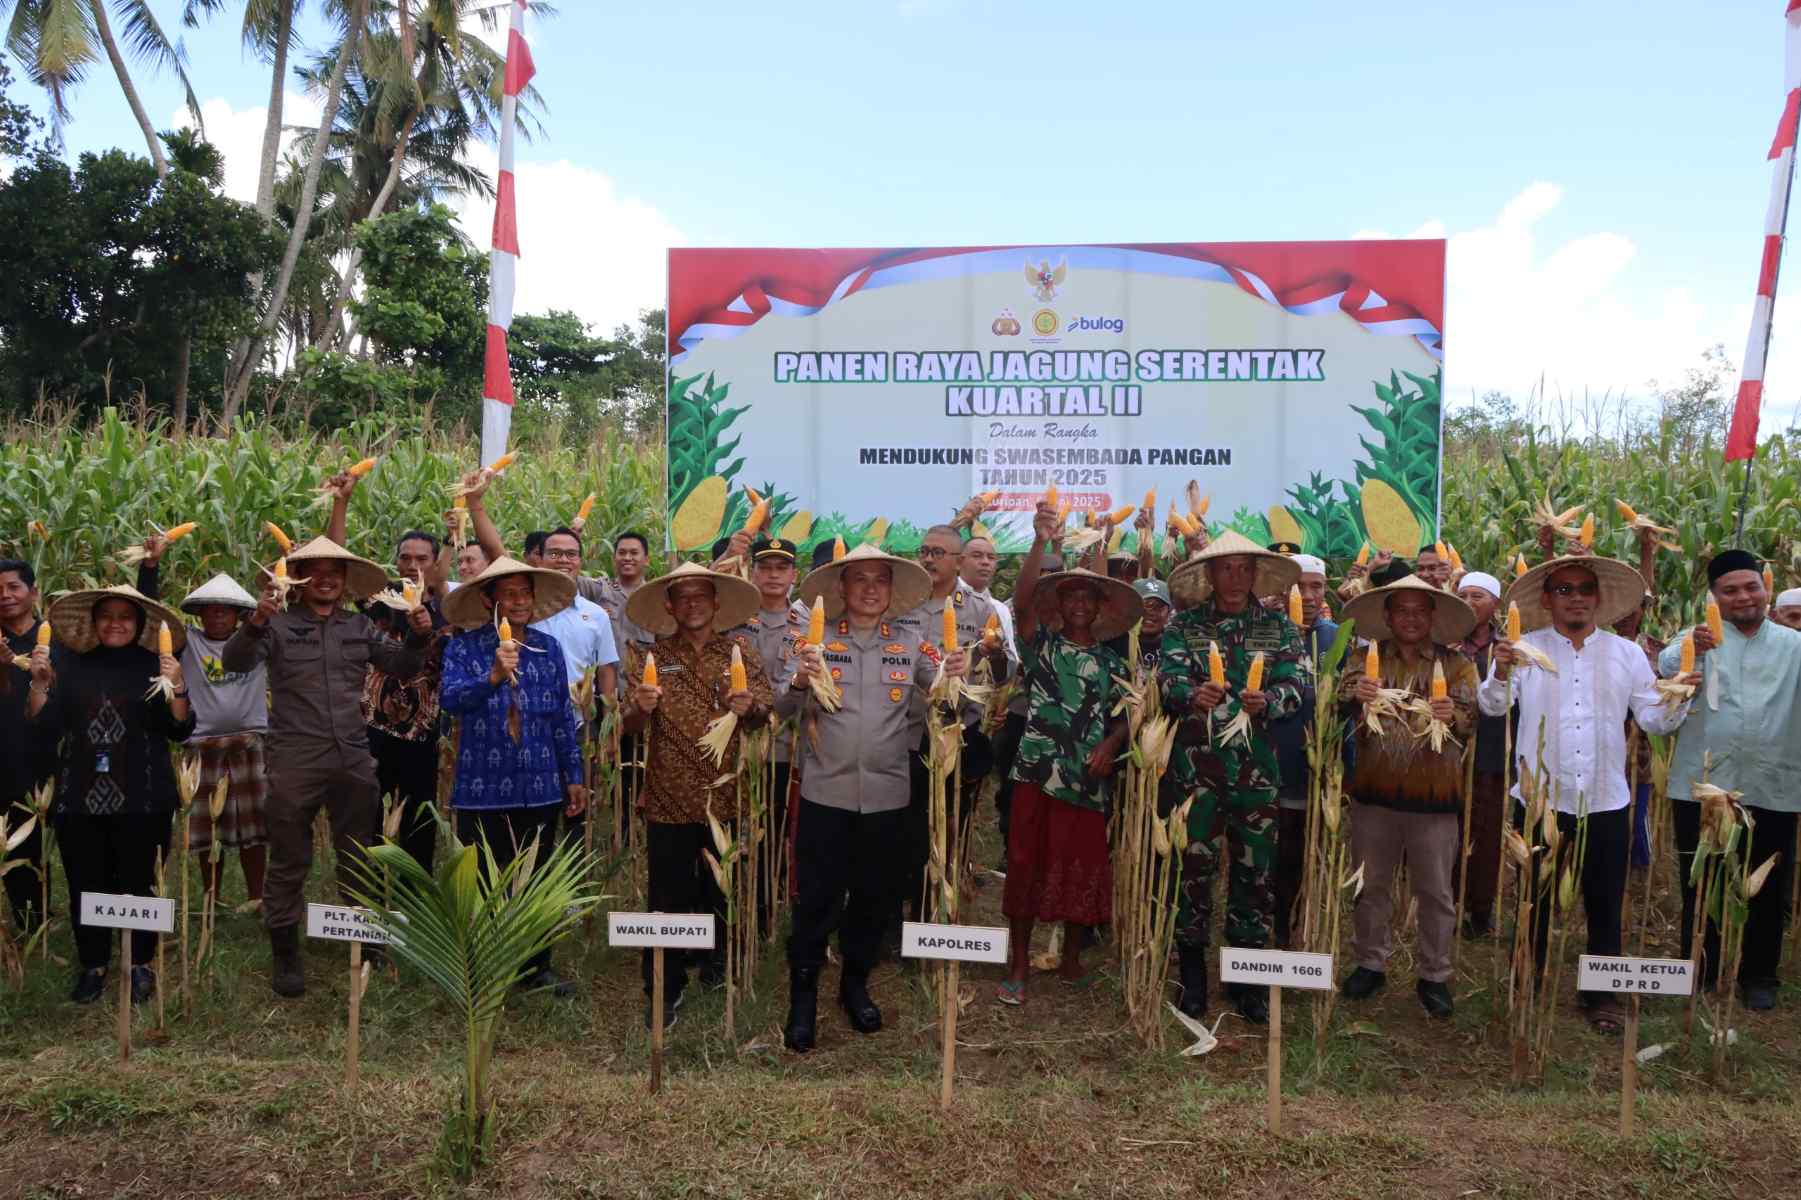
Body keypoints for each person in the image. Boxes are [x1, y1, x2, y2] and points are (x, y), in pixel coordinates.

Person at [1481, 552, 1695, 1033]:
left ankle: (1601, 996)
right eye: (1564, 590)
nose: (1575, 598)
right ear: (1547, 599)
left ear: (1598, 599)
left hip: (1605, 799)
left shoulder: (1627, 654)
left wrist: (1680, 696)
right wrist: (1497, 671)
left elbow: (1653, 719)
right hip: (1539, 799)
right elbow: (1493, 708)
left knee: (1603, 901)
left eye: (1584, 590)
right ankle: (1526, 983)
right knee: (1533, 897)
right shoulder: (1525, 648)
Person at [222, 536, 433, 998]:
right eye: (314, 569)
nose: (325, 578)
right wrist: (256, 621)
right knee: (290, 856)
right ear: (299, 578)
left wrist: (418, 634)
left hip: (352, 755)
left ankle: (365, 939)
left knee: (358, 853)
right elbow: (233, 662)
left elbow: (401, 666)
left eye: (334, 571)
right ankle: (285, 950)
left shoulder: (359, 628)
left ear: (344, 580)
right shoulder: (277, 626)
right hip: (295, 756)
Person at [782, 544, 965, 1052]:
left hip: (887, 795)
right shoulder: (814, 642)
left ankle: (854, 983)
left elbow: (947, 692)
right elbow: (781, 706)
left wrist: (959, 668)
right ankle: (803, 996)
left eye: (878, 580)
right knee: (816, 898)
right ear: (840, 589)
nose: (868, 588)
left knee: (872, 897)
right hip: (826, 793)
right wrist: (800, 678)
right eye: (857, 579)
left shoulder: (913, 644)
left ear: (889, 590)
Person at [1159, 531, 1305, 1022]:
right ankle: (1194, 975)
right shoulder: (1187, 625)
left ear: (1255, 573)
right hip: (1196, 771)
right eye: (1226, 569)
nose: (1236, 577)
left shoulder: (1279, 627)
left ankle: (1246, 979)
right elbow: (1170, 678)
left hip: (1257, 772)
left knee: (1254, 874)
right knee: (1192, 871)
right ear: (1211, 574)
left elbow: (1298, 684)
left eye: (1244, 568)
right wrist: (1187, 694)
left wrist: (1272, 701)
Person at [996, 500, 1133, 1005]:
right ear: (1061, 605)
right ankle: (1017, 965)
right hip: (1036, 770)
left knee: (1083, 863)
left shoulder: (1109, 658)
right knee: (1026, 860)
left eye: (1088, 598)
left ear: (1099, 609)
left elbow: (1125, 715)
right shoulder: (1041, 645)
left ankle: (1073, 957)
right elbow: (1021, 601)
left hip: (1086, 775)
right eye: (1071, 596)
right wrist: (1039, 539)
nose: (1079, 605)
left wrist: (1111, 743)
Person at [29, 585, 194, 1004]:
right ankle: (94, 964)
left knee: (141, 881)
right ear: (94, 622)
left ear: (139, 625)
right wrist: (40, 684)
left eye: (125, 616)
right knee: (87, 880)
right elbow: (44, 727)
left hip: (144, 793)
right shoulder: (70, 663)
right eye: (107, 616)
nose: (116, 622)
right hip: (79, 794)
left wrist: (177, 685)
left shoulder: (155, 665)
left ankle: (140, 963)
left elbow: (179, 729)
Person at [625, 562, 771, 1025]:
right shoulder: (649, 656)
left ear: (716, 602)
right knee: (666, 895)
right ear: (669, 606)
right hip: (668, 798)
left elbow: (766, 714)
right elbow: (627, 727)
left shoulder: (740, 652)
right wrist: (637, 708)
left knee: (721, 891)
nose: (692, 604)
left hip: (726, 798)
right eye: (682, 597)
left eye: (700, 595)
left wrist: (751, 709)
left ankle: (719, 970)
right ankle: (663, 988)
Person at [1660, 549, 1801, 1011]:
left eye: (1751, 587)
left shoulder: (1792, 644)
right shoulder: (1698, 637)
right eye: (1730, 590)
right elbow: (1666, 665)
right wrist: (1692, 649)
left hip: (1773, 783)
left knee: (1766, 884)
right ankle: (1699, 967)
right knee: (1702, 881)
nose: (1744, 597)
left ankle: (1759, 975)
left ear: (1766, 588)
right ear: (1714, 597)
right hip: (1704, 785)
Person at [439, 557, 588, 996]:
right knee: (485, 878)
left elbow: (562, 714)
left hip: (541, 783)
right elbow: (450, 700)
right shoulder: (464, 648)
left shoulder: (548, 648)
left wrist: (573, 774)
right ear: (489, 600)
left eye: (526, 593)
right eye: (509, 594)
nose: (520, 601)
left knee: (537, 878)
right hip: (482, 786)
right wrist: (492, 676)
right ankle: (484, 969)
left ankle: (536, 966)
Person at [1337, 576, 1479, 1017]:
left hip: (1433, 801)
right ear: (1387, 616)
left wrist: (1451, 713)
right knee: (1370, 885)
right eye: (1403, 610)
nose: (1412, 619)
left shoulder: (1458, 666)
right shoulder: (1365, 658)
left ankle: (1434, 974)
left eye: (1421, 611)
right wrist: (1353, 695)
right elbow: (1339, 695)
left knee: (1435, 891)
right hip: (1374, 796)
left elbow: (1473, 718)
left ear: (1433, 617)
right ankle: (1369, 963)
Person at [136, 549, 270, 908]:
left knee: (254, 828)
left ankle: (258, 897)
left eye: (225, 609)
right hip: (202, 745)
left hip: (249, 743)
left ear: (239, 615)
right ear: (199, 613)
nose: (218, 614)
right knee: (207, 829)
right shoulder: (187, 643)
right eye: (210, 608)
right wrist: (150, 567)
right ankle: (212, 899)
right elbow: (150, 619)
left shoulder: (258, 640)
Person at [897, 525, 1010, 931]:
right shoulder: (902, 605)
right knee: (906, 833)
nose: (928, 559)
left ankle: (936, 920)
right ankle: (900, 922)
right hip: (907, 735)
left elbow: (1004, 673)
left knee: (946, 832)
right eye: (924, 551)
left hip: (957, 736)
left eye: (938, 553)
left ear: (959, 561)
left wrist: (992, 654)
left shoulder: (981, 610)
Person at [725, 536, 807, 895]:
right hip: (736, 745)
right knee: (736, 829)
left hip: (785, 749)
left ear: (794, 575)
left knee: (776, 828)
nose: (773, 575)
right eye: (766, 567)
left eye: (782, 568)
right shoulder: (733, 617)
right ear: (752, 572)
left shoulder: (806, 623)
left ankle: (770, 903)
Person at [1271, 555, 1337, 948]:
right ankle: (1273, 931)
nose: (1307, 596)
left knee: (1304, 856)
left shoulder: (1336, 638)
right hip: (1272, 768)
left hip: (1314, 773)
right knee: (1273, 859)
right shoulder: (1265, 633)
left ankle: (1301, 932)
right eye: (1299, 587)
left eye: (1317, 588)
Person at [1453, 571, 1509, 938]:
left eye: (1478, 596)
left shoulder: (1507, 649)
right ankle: (1451, 903)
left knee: (1487, 835)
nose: (1470, 602)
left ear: (1495, 605)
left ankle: (1481, 910)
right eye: (1464, 595)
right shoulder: (1446, 644)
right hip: (1449, 754)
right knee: (1451, 832)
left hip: (1492, 754)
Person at [0, 558, 52, 935]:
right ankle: (33, 925)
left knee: (62, 842)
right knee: (17, 843)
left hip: (54, 755)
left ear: (33, 592)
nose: (5, 596)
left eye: (14, 587)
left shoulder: (56, 640)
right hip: (7, 756)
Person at [959, 533, 1016, 660]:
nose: (985, 562)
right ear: (960, 561)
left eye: (991, 558)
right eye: (977, 556)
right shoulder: (944, 598)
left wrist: (996, 653)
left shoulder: (1000, 609)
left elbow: (1011, 660)